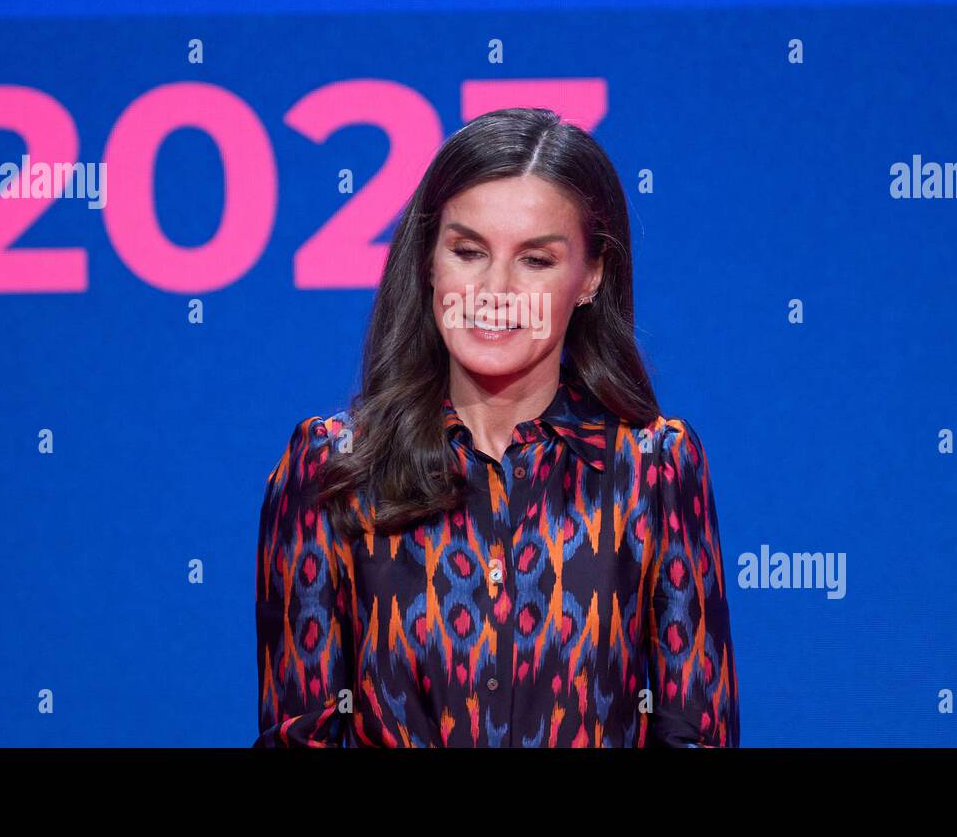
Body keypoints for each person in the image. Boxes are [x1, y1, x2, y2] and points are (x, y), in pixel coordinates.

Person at [254, 107, 739, 747]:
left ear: (590, 277)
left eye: (536, 261)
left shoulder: (653, 469)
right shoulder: (333, 466)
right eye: (468, 251)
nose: (495, 291)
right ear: (428, 261)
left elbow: (696, 737)